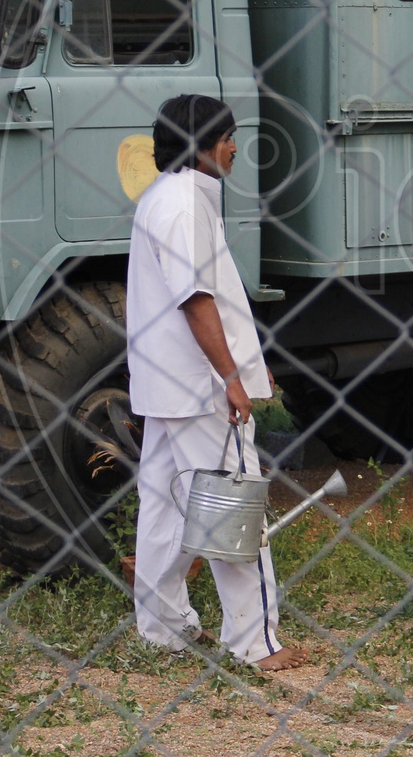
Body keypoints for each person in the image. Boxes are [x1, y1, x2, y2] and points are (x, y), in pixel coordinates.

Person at [126, 94, 307, 671]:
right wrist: (231, 377)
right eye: (227, 136)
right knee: (236, 500)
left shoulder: (173, 197)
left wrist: (248, 361)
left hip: (169, 384)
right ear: (202, 142)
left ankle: (162, 626)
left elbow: (214, 296)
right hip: (197, 386)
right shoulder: (182, 204)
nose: (235, 146)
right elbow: (195, 300)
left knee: (163, 508)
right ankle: (255, 642)